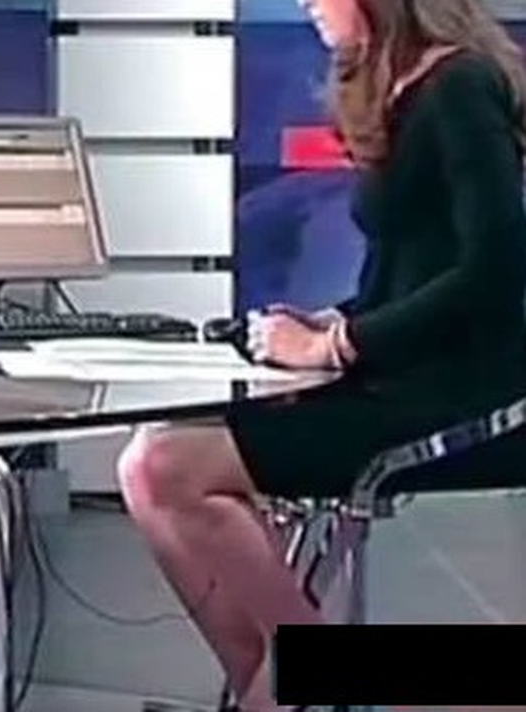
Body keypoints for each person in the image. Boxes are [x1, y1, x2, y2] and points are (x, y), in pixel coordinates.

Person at [117, 0, 526, 709]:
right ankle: (288, 691)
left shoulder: (460, 86)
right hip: (401, 375)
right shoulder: (404, 87)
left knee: (165, 467)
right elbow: (410, 274)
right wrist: (331, 322)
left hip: (460, 398)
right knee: (148, 458)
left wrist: (336, 344)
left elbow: (495, 268)